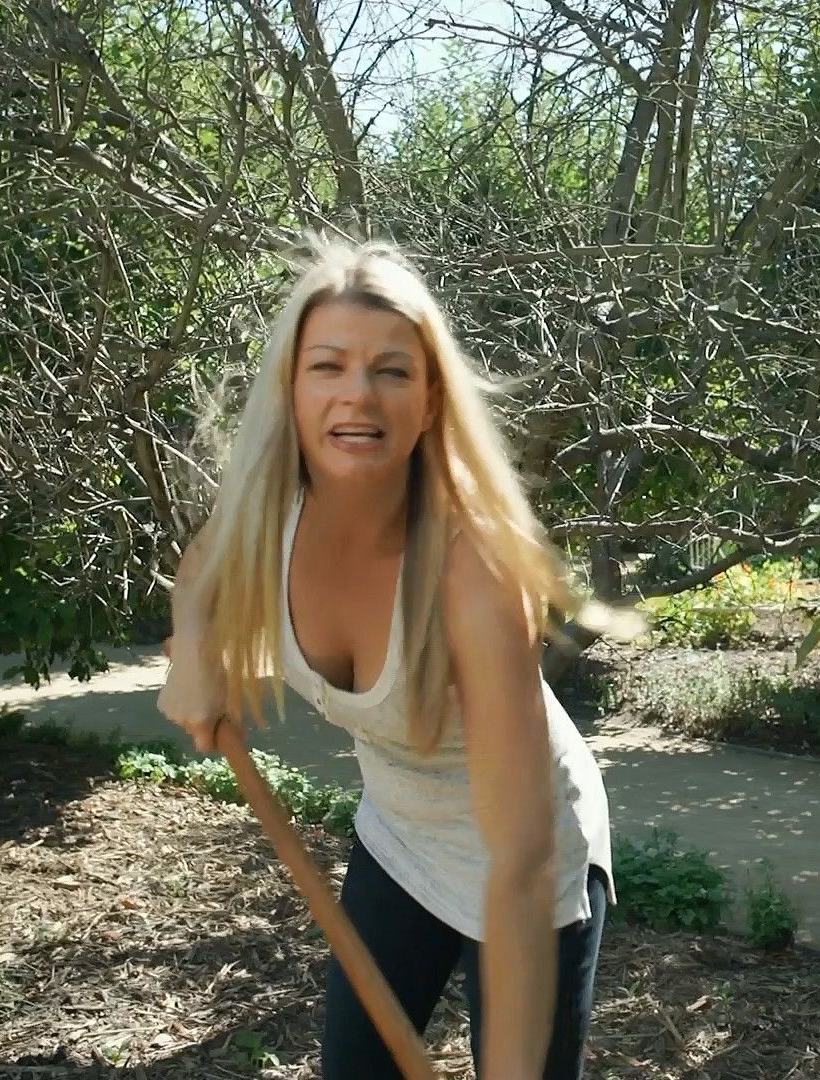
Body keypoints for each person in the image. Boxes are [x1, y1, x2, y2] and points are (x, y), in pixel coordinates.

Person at [155, 236, 641, 1080]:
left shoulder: (472, 573)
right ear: (291, 388)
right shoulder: (266, 517)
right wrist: (194, 651)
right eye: (328, 366)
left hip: (529, 861)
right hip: (402, 838)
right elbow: (201, 572)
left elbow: (520, 861)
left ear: (429, 400)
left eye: (392, 370)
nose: (358, 394)